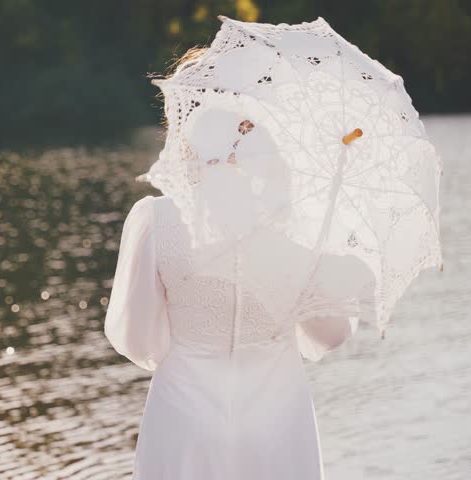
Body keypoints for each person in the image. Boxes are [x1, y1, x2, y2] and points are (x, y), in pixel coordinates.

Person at [103, 47, 376, 480]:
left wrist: (194, 352)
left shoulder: (157, 221)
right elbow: (331, 333)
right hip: (278, 418)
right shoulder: (302, 227)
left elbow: (139, 341)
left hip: (183, 415)